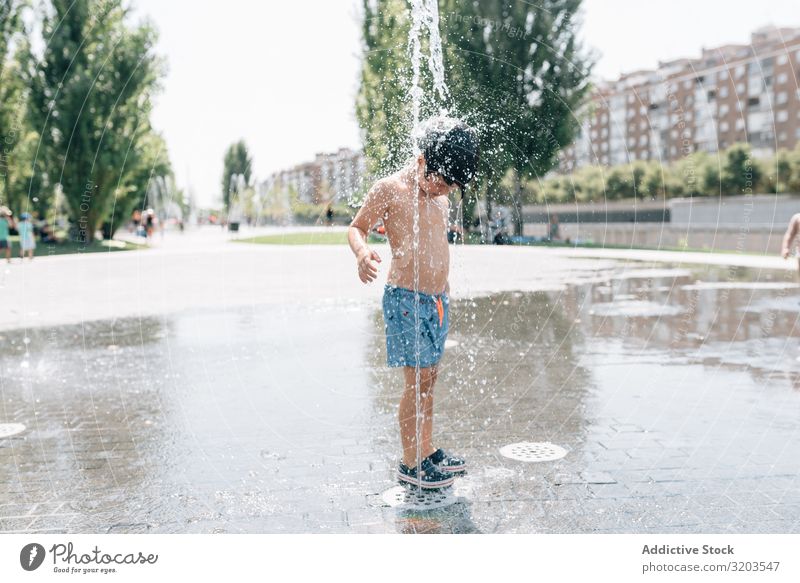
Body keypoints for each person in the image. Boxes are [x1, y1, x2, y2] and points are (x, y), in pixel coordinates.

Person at [348, 116, 479, 490]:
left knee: (429, 381)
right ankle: (411, 463)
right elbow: (356, 226)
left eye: (451, 185)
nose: (444, 190)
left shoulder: (440, 195)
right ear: (422, 160)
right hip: (405, 298)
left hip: (437, 301)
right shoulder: (390, 189)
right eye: (441, 180)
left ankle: (427, 449)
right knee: (416, 383)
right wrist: (361, 253)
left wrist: (444, 291)